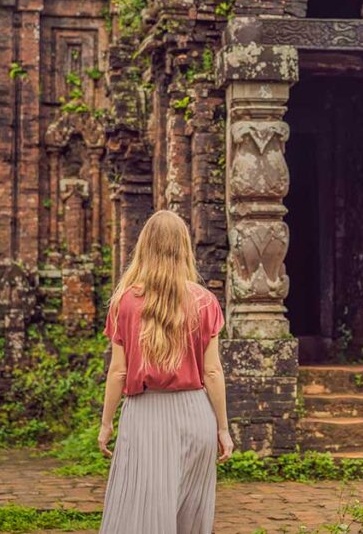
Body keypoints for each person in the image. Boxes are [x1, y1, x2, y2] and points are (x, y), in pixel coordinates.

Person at [97, 209, 233, 533]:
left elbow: (118, 372)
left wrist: (106, 424)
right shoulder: (204, 301)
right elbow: (212, 372)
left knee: (140, 513)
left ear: (144, 246)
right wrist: (223, 429)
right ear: (183, 248)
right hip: (195, 413)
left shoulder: (124, 302)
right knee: (190, 517)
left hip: (144, 415)